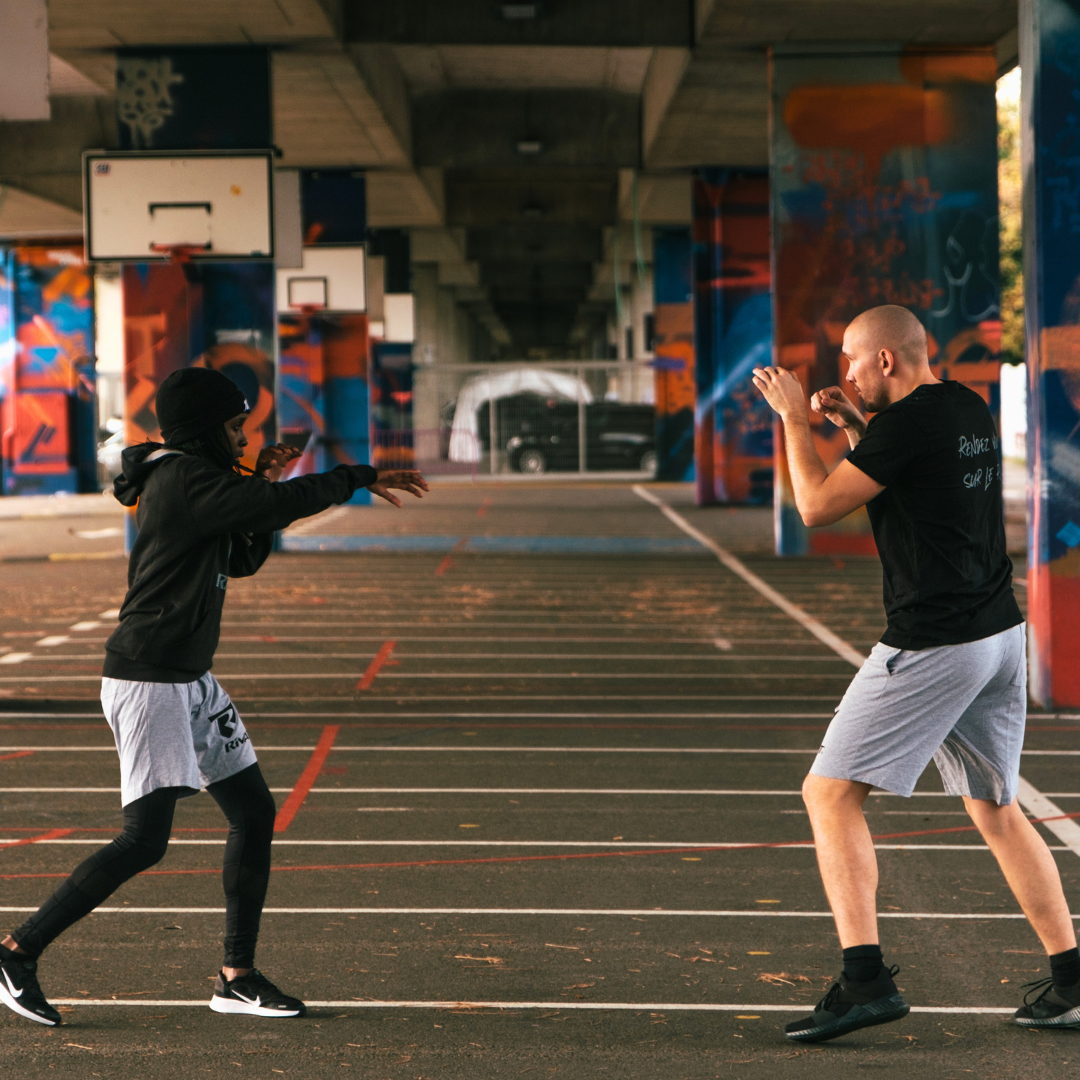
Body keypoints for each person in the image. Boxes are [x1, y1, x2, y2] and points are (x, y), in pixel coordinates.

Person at [0, 367, 428, 1026]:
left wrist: (262, 483)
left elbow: (243, 556)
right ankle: (16, 952)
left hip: (191, 679)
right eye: (234, 427)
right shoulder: (183, 479)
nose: (242, 438)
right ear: (205, 430)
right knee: (144, 842)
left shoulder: (203, 482)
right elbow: (269, 512)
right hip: (148, 680)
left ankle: (236, 976)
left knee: (254, 814)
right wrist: (354, 476)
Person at [752, 305, 1079, 1043]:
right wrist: (852, 426)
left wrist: (793, 424)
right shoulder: (964, 405)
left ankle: (864, 981)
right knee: (998, 809)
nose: (845, 375)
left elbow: (814, 507)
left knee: (828, 795)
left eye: (853, 362)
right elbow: (913, 472)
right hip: (999, 634)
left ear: (887, 363)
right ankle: (1074, 979)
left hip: (935, 640)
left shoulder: (903, 427)